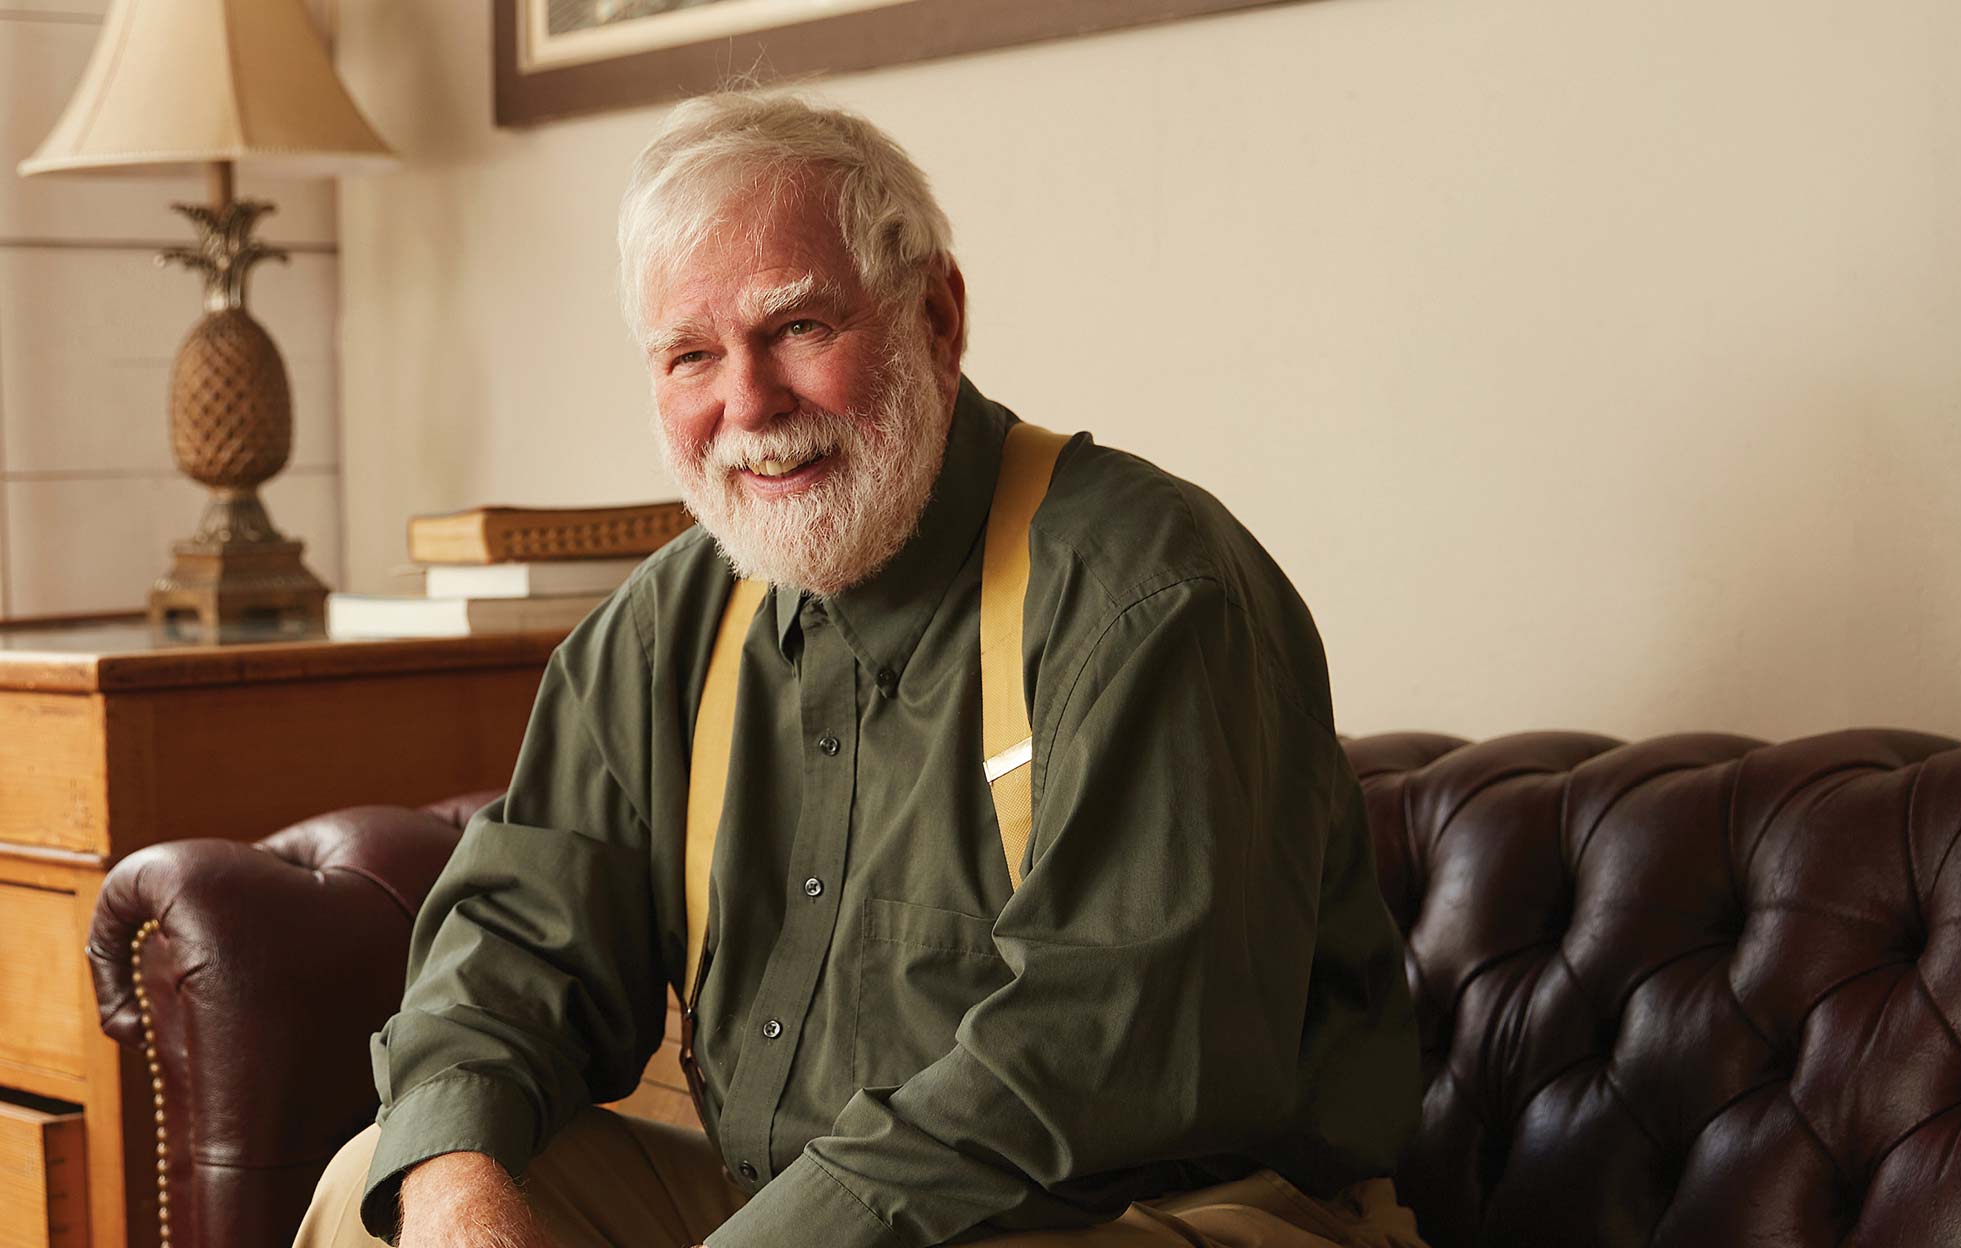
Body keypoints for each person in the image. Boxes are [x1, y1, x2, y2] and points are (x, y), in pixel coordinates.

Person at [296, 92, 1427, 1248]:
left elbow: (1092, 1064)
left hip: (1154, 1215)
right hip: (778, 1211)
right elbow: (513, 951)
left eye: (796, 330)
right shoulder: (663, 625)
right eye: (692, 356)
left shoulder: (1147, 592)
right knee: (376, 1197)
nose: (748, 405)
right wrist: (456, 1195)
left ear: (935, 315)